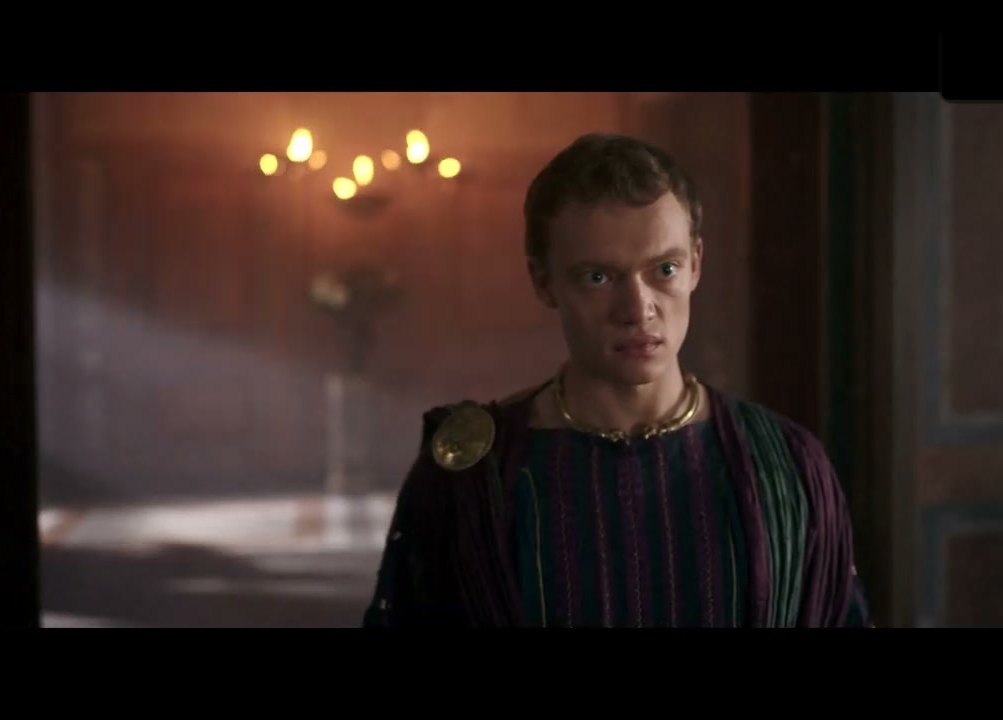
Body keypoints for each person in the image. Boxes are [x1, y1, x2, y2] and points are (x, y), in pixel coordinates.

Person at [362, 133, 871, 628]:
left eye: (664, 270)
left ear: (695, 264)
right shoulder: (473, 479)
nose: (637, 309)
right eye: (598, 278)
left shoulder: (787, 464)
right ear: (544, 281)